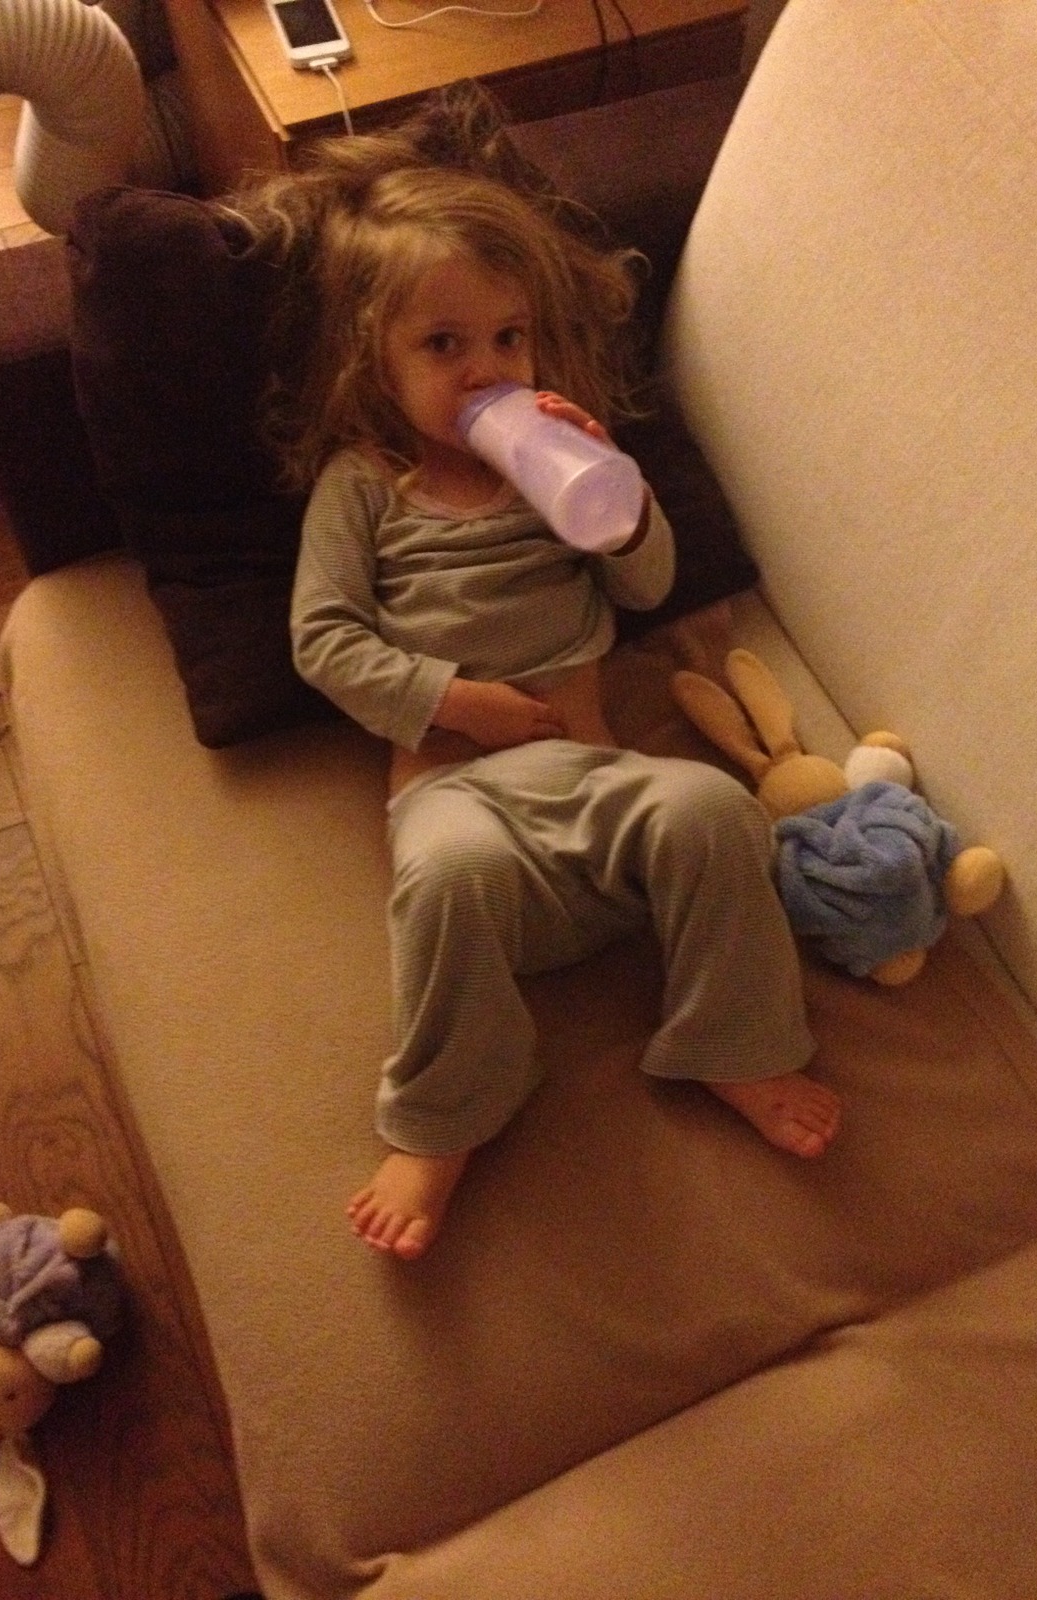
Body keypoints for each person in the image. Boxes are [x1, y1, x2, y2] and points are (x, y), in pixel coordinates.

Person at [231, 95, 841, 1260]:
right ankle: (451, 1113)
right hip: (461, 802)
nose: (487, 371)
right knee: (444, 875)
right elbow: (325, 640)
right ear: (374, 362)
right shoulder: (365, 487)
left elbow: (649, 585)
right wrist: (453, 703)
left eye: (507, 339)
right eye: (444, 346)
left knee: (715, 810)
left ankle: (732, 1043)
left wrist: (611, 492)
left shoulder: (561, 466)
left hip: (599, 792)